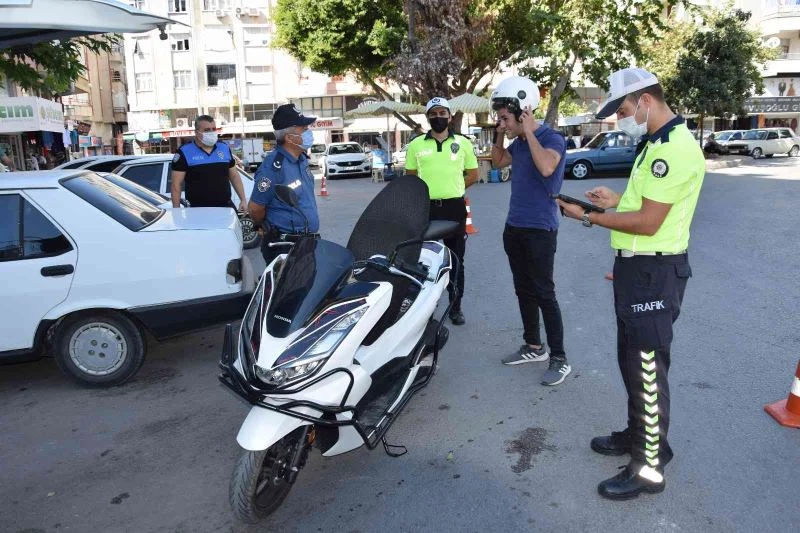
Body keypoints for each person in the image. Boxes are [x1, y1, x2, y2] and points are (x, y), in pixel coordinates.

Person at [556, 68, 704, 500]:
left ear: (644, 99)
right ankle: (641, 436)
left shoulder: (673, 149)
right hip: (637, 270)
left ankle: (648, 469)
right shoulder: (654, 143)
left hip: (653, 273)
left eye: (623, 108)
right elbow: (646, 205)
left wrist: (586, 215)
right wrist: (615, 201)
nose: (622, 117)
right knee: (632, 363)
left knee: (647, 371)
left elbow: (648, 221)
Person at [490, 76, 571, 386]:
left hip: (540, 229)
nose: (502, 123)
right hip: (515, 227)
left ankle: (560, 358)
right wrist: (500, 136)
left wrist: (527, 131)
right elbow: (497, 164)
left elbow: (547, 168)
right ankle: (533, 346)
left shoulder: (552, 139)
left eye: (505, 118)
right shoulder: (518, 143)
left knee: (544, 293)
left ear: (524, 113)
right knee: (523, 289)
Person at [404, 97, 479, 326]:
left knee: (456, 260)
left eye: (442, 113)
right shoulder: (416, 144)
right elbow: (410, 177)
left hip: (454, 208)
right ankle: (426, 309)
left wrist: (454, 190)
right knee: (425, 260)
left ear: (450, 116)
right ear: (428, 117)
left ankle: (456, 307)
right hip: (426, 210)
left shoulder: (463, 143)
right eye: (433, 114)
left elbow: (473, 174)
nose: (438, 118)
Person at [248, 103, 320, 265]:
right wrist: (263, 225)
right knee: (290, 291)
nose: (309, 132)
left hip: (305, 244)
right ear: (289, 138)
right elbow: (255, 208)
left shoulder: (301, 159)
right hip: (284, 247)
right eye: (303, 129)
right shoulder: (273, 167)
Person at [170, 115, 247, 211]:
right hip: (197, 210)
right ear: (197, 133)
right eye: (207, 130)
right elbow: (176, 184)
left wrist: (243, 199)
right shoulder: (184, 152)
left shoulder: (224, 148)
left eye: (213, 129)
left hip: (225, 207)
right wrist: (176, 211)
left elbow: (234, 176)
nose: (211, 132)